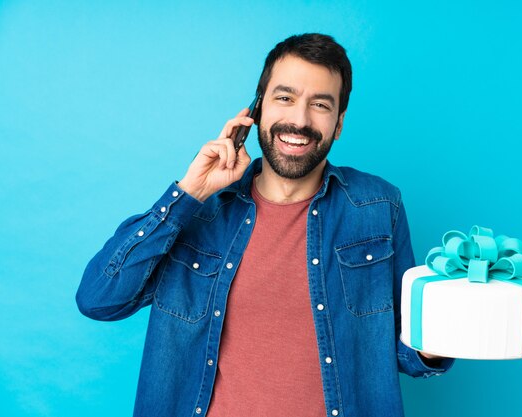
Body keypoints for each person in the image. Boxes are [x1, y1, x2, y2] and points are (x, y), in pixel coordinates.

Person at [76, 33, 454, 417]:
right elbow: (98, 300)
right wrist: (188, 193)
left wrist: (452, 325)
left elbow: (409, 353)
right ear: (254, 111)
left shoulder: (378, 206)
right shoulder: (199, 211)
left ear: (338, 124)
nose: (299, 120)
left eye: (320, 104)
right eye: (285, 98)